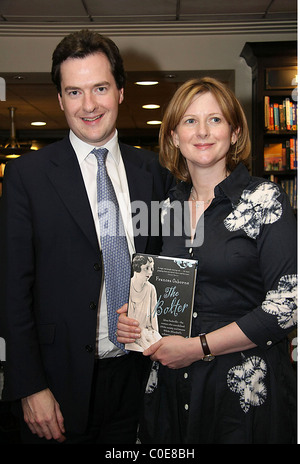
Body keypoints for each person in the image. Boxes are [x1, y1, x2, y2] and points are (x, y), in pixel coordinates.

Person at [0, 29, 174, 444]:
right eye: (74, 92)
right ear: (60, 100)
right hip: (57, 383)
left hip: (141, 373)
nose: (89, 105)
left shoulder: (155, 172)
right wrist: (28, 385)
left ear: (120, 92)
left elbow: (167, 264)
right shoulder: (28, 176)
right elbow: (11, 288)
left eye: (100, 88)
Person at [117, 77, 297, 444]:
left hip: (243, 391)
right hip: (171, 387)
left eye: (215, 120)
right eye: (189, 121)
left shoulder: (265, 200)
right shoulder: (163, 209)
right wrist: (136, 318)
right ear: (173, 136)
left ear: (234, 133)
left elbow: (289, 305)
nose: (202, 131)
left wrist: (199, 347)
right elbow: (158, 286)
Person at [126, 255, 161, 352]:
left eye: (151, 269)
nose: (150, 272)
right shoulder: (127, 285)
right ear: (137, 267)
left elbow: (154, 315)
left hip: (146, 332)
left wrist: (156, 336)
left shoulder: (151, 288)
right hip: (130, 334)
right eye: (146, 268)